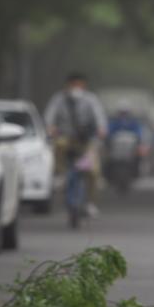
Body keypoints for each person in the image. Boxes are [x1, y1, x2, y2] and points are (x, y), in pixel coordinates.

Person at [44, 72, 108, 215]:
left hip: (86, 141)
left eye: (79, 84)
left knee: (92, 171)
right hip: (66, 138)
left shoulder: (91, 100)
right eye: (73, 84)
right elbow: (49, 117)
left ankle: (91, 203)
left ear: (84, 85)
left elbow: (100, 117)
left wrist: (101, 130)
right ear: (67, 85)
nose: (76, 87)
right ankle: (60, 174)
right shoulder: (58, 99)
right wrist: (51, 127)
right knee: (58, 145)